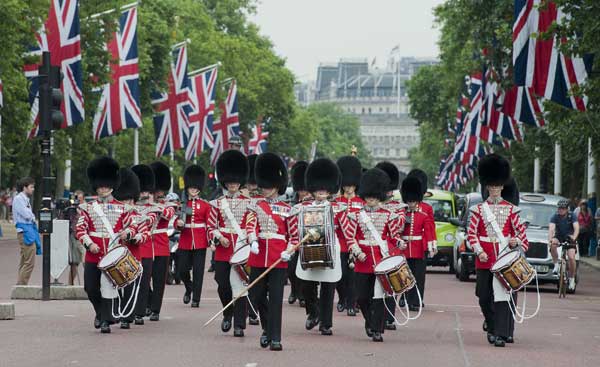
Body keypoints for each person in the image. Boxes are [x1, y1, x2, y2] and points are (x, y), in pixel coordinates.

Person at [467, 154, 528, 347]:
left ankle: (499, 333)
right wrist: (478, 250)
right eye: (491, 186)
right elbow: (471, 234)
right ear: (487, 187)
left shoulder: (511, 210)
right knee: (484, 297)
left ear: (502, 186)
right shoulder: (478, 210)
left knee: (502, 297)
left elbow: (523, 238)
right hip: (484, 259)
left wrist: (515, 240)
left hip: (503, 260)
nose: (494, 190)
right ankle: (492, 325)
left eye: (497, 186)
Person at [75, 157, 138, 333]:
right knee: (90, 287)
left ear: (111, 185)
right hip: (93, 254)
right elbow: (80, 230)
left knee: (108, 289)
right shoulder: (87, 208)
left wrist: (128, 233)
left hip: (112, 254)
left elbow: (133, 225)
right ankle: (100, 312)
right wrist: (90, 244)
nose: (102, 188)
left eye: (105, 185)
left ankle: (104, 320)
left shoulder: (123, 208)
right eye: (100, 185)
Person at [340, 168, 403, 342]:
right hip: (363, 260)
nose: (371, 199)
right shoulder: (355, 216)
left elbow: (393, 236)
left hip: (382, 260)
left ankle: (377, 329)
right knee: (361, 297)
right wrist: (357, 251)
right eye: (368, 196)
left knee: (379, 296)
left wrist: (399, 243)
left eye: (374, 197)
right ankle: (370, 321)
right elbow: (350, 237)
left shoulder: (389, 215)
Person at [289, 158, 341, 336]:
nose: (321, 191)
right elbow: (293, 224)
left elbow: (346, 229)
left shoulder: (338, 208)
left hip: (330, 248)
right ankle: (313, 311)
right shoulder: (302, 207)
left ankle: (326, 323)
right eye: (319, 188)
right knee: (305, 283)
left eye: (325, 188)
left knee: (328, 286)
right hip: (307, 248)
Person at [245, 152, 291, 351]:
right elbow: (250, 225)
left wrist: (289, 250)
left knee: (276, 298)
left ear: (277, 186)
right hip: (258, 257)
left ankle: (275, 338)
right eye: (262, 185)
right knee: (256, 295)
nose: (264, 189)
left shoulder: (287, 209)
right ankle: (266, 329)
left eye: (268, 185)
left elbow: (294, 235)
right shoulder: (255, 206)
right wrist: (253, 240)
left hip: (279, 258)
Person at [207, 150, 252, 337]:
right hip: (224, 250)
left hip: (241, 248)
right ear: (225, 182)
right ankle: (228, 313)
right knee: (222, 283)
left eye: (235, 182)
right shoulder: (217, 203)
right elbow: (210, 226)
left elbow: (252, 224)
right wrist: (219, 237)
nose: (233, 184)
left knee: (241, 285)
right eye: (230, 182)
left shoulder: (250, 202)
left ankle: (239, 324)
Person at [147, 161, 178, 322]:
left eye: (160, 190)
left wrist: (155, 206)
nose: (158, 192)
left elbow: (167, 214)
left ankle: (155, 310)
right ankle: (148, 302)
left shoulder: (169, 203)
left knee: (159, 280)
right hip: (146, 244)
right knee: (144, 278)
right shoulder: (144, 203)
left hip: (161, 245)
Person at [398, 176, 435, 312]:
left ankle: (416, 300)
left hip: (419, 247)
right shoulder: (402, 209)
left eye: (413, 201)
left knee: (418, 276)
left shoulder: (426, 209)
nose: (411, 203)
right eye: (409, 201)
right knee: (405, 274)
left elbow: (430, 228)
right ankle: (405, 297)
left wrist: (431, 245)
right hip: (405, 247)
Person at [334, 155, 364, 316]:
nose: (348, 188)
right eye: (346, 185)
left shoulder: (362, 203)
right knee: (341, 275)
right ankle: (342, 298)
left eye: (351, 185)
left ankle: (352, 304)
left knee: (354, 276)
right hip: (340, 244)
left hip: (356, 245)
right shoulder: (336, 202)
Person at [177, 165, 211, 308]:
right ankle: (189, 287)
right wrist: (177, 223)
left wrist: (211, 240)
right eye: (191, 187)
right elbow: (176, 221)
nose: (193, 190)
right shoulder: (182, 204)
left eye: (196, 187)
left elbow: (209, 224)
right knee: (182, 270)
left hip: (200, 241)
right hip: (185, 240)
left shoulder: (205, 205)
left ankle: (196, 298)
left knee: (198, 271)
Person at [130, 164, 158, 325]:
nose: (143, 194)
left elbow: (151, 220)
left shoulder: (152, 208)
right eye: (141, 191)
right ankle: (130, 311)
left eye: (145, 191)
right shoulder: (129, 207)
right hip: (131, 250)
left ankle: (139, 313)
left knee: (143, 283)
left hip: (146, 249)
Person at [287, 160, 310, 306]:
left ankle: (302, 295)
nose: (302, 192)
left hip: (307, 239)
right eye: (300, 189)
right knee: (291, 268)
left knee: (304, 267)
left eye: (305, 189)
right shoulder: (291, 202)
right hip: (293, 239)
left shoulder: (311, 202)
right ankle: (294, 290)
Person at [14, 177, 41, 285]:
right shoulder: (19, 199)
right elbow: (26, 214)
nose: (33, 189)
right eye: (31, 187)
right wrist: (32, 216)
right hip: (25, 232)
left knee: (25, 260)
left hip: (27, 231)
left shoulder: (25, 199)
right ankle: (21, 285)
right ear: (25, 187)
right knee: (29, 261)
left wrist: (32, 216)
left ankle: (20, 284)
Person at [549, 199, 579, 291]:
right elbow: (551, 229)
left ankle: (572, 279)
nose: (560, 210)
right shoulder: (555, 216)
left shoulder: (572, 216)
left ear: (567, 209)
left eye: (563, 208)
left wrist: (574, 237)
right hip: (559, 236)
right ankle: (556, 264)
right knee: (552, 244)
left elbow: (576, 228)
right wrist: (550, 239)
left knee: (571, 257)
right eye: (559, 208)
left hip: (569, 238)